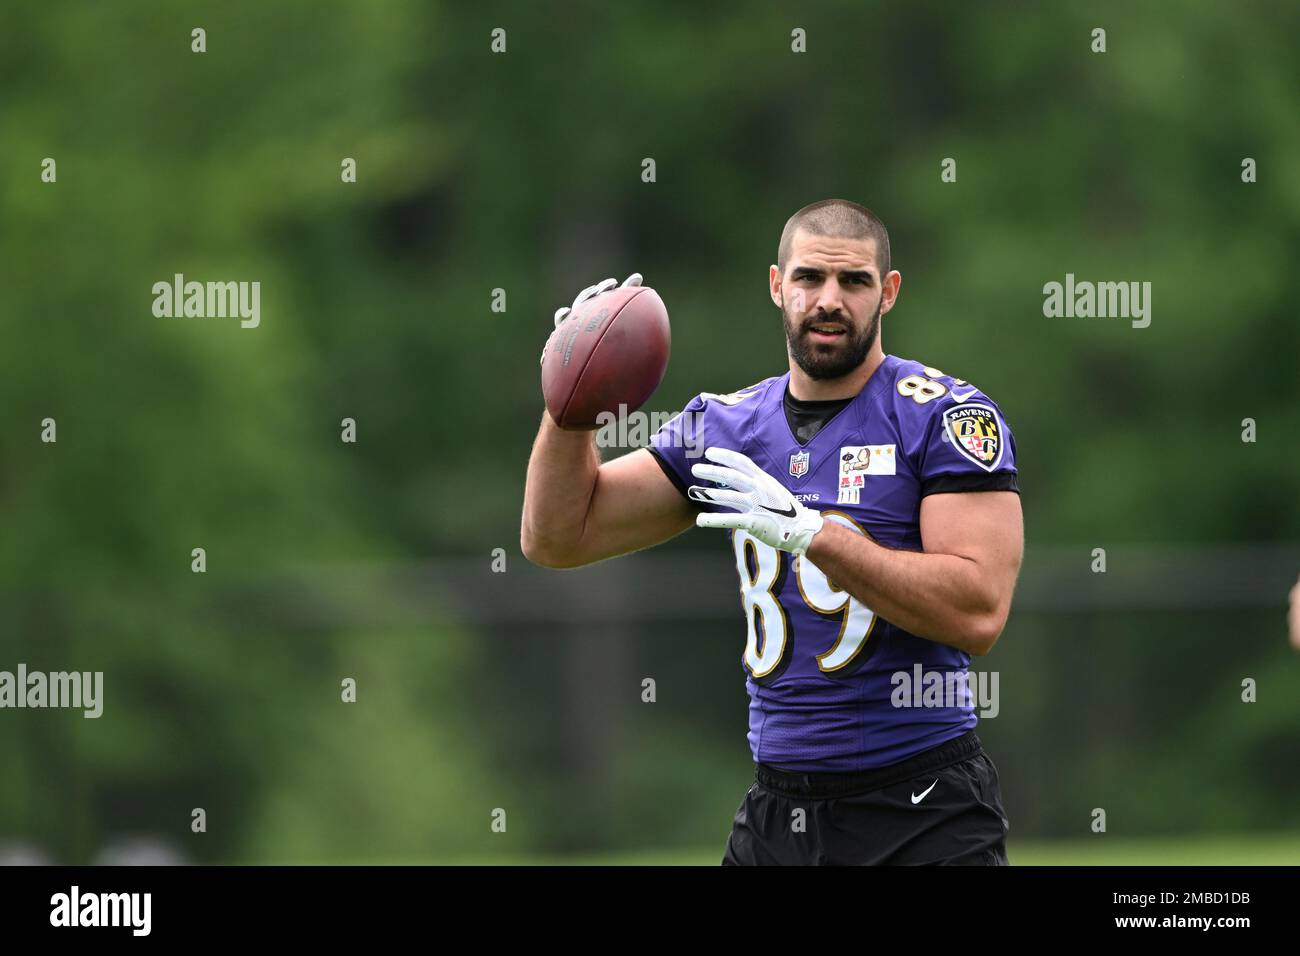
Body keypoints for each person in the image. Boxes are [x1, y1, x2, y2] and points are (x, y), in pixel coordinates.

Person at [521, 199, 1024, 864]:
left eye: (854, 281)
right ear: (777, 285)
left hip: (921, 804)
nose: (829, 300)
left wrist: (816, 534)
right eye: (810, 277)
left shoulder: (941, 416)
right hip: (778, 812)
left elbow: (979, 609)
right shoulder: (726, 427)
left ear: (889, 292)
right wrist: (570, 404)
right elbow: (559, 537)